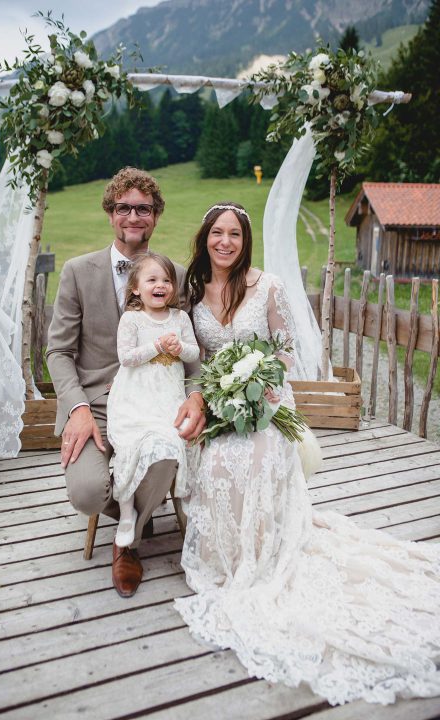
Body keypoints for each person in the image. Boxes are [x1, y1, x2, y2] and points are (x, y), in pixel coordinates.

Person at [174, 202, 440, 706]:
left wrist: (254, 382)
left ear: (244, 240)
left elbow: (286, 350)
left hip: (269, 399)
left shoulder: (266, 286)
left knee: (255, 457)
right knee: (214, 461)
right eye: (217, 233)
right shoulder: (192, 294)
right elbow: (200, 359)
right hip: (219, 400)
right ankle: (230, 557)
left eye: (234, 233)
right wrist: (213, 397)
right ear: (204, 237)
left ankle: (267, 553)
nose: (225, 242)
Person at [46, 167, 204, 598]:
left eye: (144, 208)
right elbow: (57, 352)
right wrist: (77, 408)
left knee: (169, 453)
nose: (133, 215)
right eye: (124, 208)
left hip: (158, 402)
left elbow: (193, 351)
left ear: (155, 216)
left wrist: (195, 397)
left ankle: (127, 543)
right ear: (111, 214)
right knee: (86, 493)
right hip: (96, 403)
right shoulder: (78, 272)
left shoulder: (173, 274)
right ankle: (134, 493)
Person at [106, 252, 199, 591]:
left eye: (166, 280)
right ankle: (128, 511)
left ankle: (183, 519)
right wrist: (156, 345)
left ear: (173, 288)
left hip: (168, 395)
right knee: (132, 442)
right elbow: (126, 357)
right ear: (135, 289)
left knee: (170, 439)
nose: (160, 285)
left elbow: (194, 354)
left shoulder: (180, 317)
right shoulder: (131, 320)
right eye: (152, 280)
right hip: (135, 394)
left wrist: (177, 348)